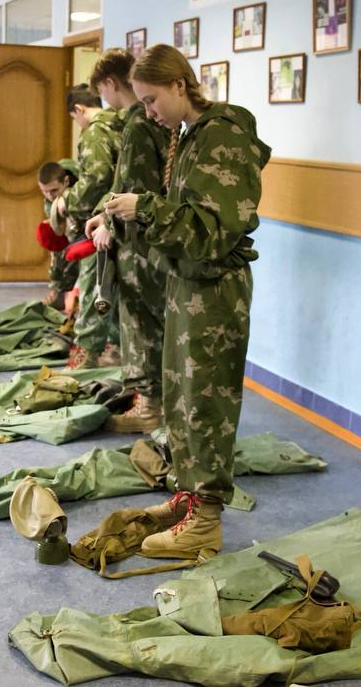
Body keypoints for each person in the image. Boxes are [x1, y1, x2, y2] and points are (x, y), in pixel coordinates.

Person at [101, 44, 270, 559]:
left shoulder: (223, 135)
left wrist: (144, 207)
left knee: (206, 404)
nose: (148, 112)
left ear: (179, 85)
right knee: (180, 400)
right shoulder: (189, 134)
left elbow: (210, 231)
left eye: (152, 100)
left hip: (213, 290)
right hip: (187, 284)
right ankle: (190, 497)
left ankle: (205, 521)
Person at [84, 48, 171, 433]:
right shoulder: (156, 122)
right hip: (157, 239)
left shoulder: (138, 125)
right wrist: (105, 214)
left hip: (139, 242)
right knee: (152, 322)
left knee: (141, 324)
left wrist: (109, 223)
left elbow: (134, 189)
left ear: (109, 83)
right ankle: (154, 401)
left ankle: (149, 408)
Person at [60, 83, 124, 369]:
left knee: (94, 288)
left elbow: (96, 178)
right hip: (123, 217)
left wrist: (67, 200)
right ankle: (117, 348)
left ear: (79, 109)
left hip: (101, 222)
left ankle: (87, 355)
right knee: (117, 289)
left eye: (75, 118)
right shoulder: (122, 124)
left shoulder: (96, 132)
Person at [37, 160, 80, 308]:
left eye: (54, 191)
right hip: (69, 221)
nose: (49, 195)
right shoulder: (51, 200)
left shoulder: (84, 186)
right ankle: (58, 291)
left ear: (66, 181)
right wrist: (56, 285)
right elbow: (58, 240)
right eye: (44, 191)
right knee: (56, 242)